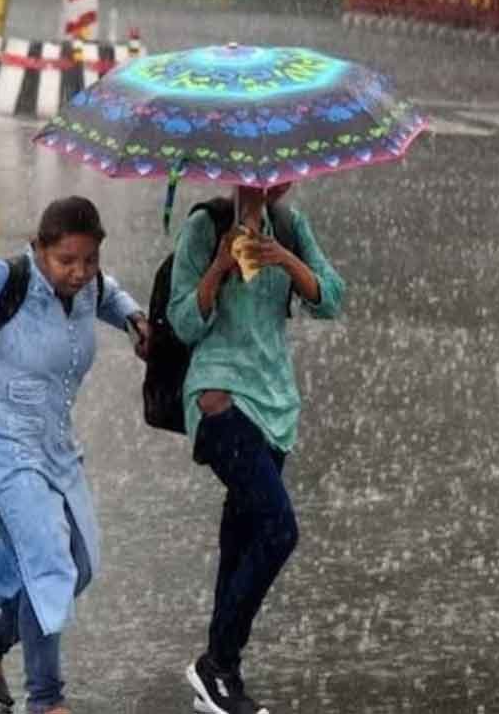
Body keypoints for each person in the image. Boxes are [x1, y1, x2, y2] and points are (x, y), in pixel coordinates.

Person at [0, 177, 150, 714]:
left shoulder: (90, 287)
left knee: (79, 563)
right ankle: (46, 699)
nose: (78, 272)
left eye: (89, 260)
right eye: (66, 260)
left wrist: (135, 320)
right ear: (39, 248)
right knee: (48, 560)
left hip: (52, 441)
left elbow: (111, 293)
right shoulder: (5, 279)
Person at [167, 183, 345, 714]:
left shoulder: (290, 226)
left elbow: (331, 299)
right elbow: (183, 322)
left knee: (242, 536)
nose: (271, 182)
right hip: (219, 397)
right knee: (278, 528)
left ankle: (222, 683)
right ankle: (217, 663)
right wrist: (219, 266)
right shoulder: (204, 226)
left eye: (282, 175)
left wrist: (285, 258)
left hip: (275, 405)